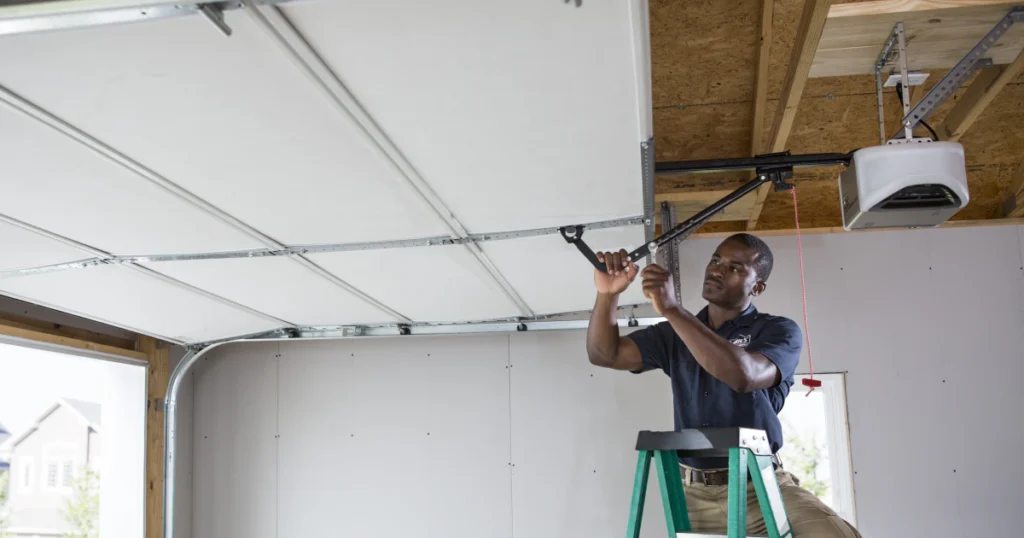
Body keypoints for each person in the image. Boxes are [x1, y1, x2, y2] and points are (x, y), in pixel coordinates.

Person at [586, 233, 861, 537]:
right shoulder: (673, 334)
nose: (717, 269)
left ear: (757, 286)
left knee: (834, 534)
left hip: (759, 485)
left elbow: (743, 376)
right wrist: (607, 294)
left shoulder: (778, 330)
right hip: (693, 496)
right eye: (716, 260)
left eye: (735, 267)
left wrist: (674, 310)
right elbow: (603, 354)